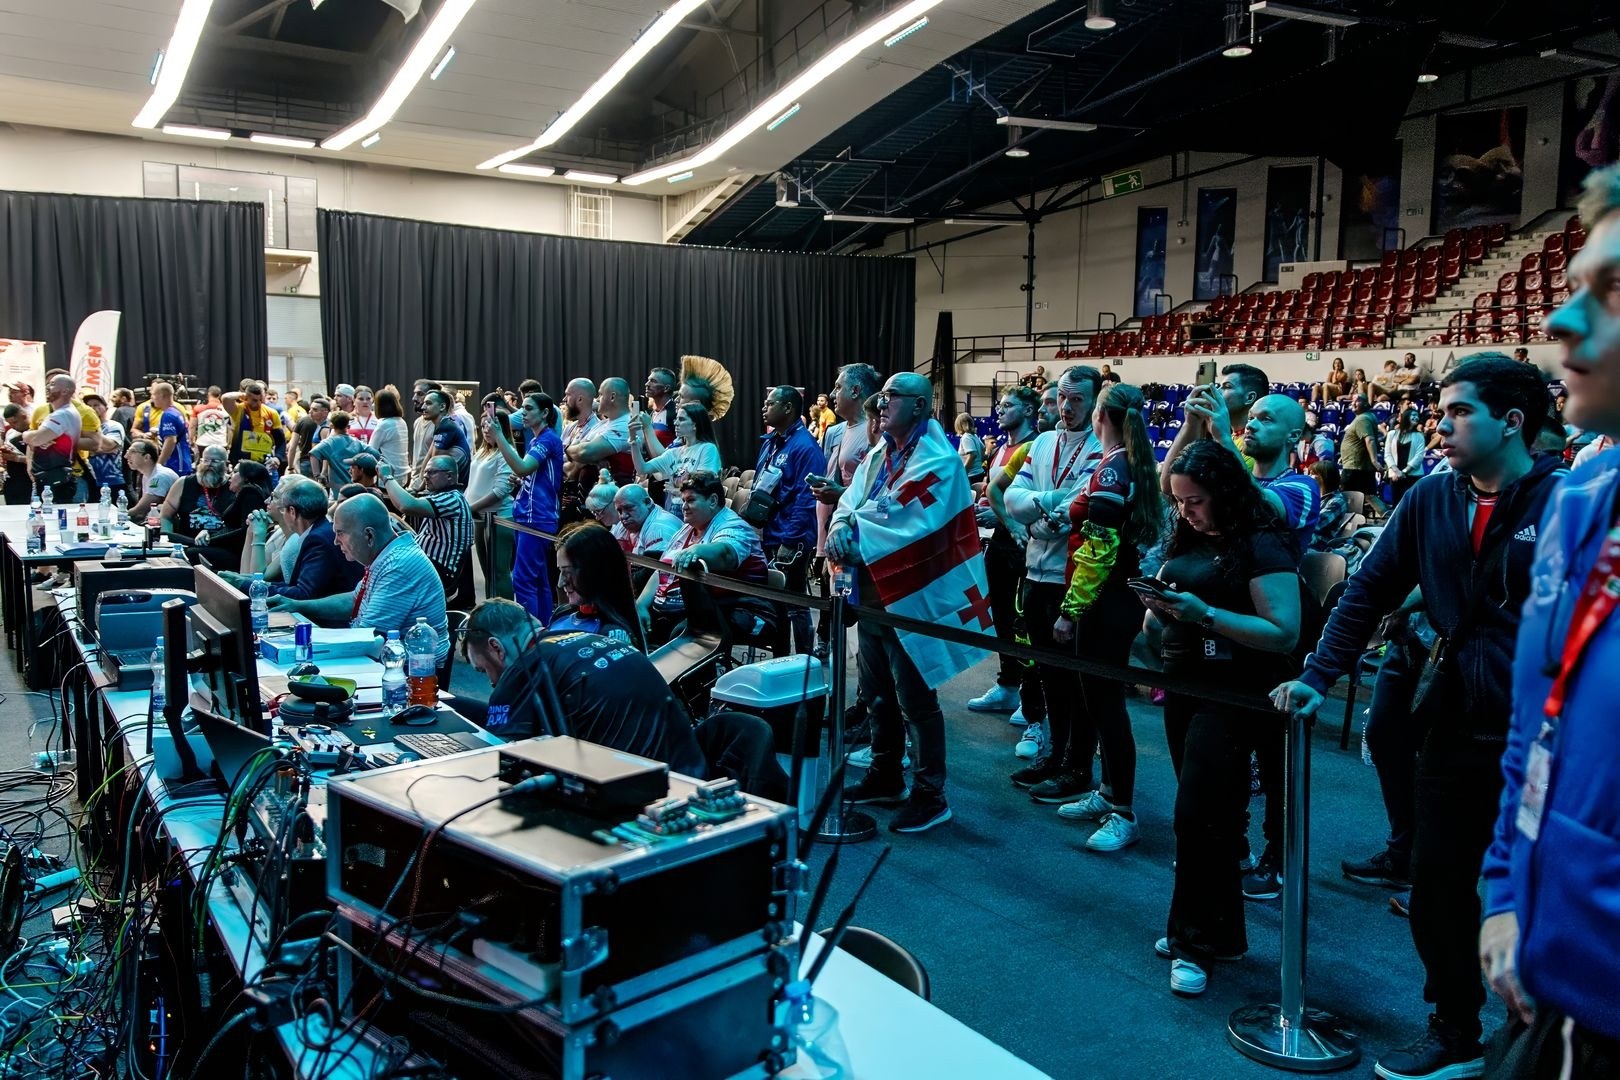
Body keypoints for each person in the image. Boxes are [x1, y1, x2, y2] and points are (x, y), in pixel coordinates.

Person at [1271, 354, 1565, 1080]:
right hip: (1453, 725)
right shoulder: (1431, 498)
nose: (1443, 424)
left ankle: (1537, 1038)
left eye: (1460, 411)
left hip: (1549, 741)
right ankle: (1455, 1027)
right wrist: (1317, 675)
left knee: (1542, 896)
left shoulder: (1565, 501)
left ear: (1512, 421)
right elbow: (1366, 592)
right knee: (1436, 884)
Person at [1471, 164, 1620, 1080]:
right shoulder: (1586, 504)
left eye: (1616, 293)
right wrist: (1504, 893)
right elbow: (1538, 733)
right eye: (1572, 289)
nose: (1563, 323)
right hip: (1552, 1001)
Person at [1148, 440, 1302, 997]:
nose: (1186, 511)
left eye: (1195, 501)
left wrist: (1205, 614)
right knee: (1212, 820)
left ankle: (1192, 941)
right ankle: (1224, 933)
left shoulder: (1262, 544)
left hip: (1235, 694)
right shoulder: (1188, 536)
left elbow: (1284, 631)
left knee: (1197, 817)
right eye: (1180, 502)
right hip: (1184, 684)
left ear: (1225, 495)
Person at [828, 371, 993, 835]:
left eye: (892, 397)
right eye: (881, 398)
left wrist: (853, 533)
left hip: (914, 596)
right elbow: (853, 501)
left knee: (915, 698)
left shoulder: (938, 460)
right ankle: (885, 773)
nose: (882, 404)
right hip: (875, 592)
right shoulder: (881, 451)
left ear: (919, 406)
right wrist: (841, 526)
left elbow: (911, 522)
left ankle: (930, 792)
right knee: (876, 693)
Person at [462, 599, 788, 799]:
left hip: (637, 805)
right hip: (689, 779)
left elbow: (500, 767)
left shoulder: (522, 669)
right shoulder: (587, 636)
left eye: (484, 670)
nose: (492, 682)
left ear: (496, 647)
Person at [1049, 383, 1166, 851]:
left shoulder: (1113, 469)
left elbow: (1098, 550)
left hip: (1103, 600)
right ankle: (1108, 792)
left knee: (1108, 709)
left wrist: (1070, 611)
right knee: (1099, 704)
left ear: (1100, 416)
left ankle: (1124, 812)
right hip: (1114, 598)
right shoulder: (1124, 461)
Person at [1004, 366, 1107, 801]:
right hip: (1035, 572)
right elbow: (1012, 497)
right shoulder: (1043, 441)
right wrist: (1045, 508)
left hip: (1071, 576)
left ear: (1095, 401)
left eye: (1078, 399)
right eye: (1061, 397)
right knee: (1047, 673)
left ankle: (1079, 766)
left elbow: (1075, 512)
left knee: (1076, 679)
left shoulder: (1103, 447)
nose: (1066, 406)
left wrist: (1039, 514)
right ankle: (1057, 753)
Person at [270, 494, 449, 662]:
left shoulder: (398, 566)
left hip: (411, 672)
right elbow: (353, 601)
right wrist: (296, 605)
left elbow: (367, 637)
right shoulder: (388, 554)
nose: (335, 541)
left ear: (369, 535)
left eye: (340, 533)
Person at [966, 386, 1040, 717]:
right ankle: (1008, 684)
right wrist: (985, 505)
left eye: (1008, 405)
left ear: (1027, 411)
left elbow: (1025, 502)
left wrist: (999, 515)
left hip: (1022, 542)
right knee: (1000, 615)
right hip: (998, 539)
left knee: (1022, 620)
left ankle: (1030, 693)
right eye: (1000, 404)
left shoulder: (1033, 446)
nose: (1000, 409)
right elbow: (993, 493)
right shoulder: (999, 450)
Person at [636, 471, 771, 646]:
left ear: (713, 500)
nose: (684, 506)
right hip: (691, 608)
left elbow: (726, 553)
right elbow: (664, 569)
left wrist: (698, 550)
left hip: (738, 609)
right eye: (683, 500)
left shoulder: (734, 526)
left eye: (690, 500)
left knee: (682, 636)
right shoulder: (688, 528)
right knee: (630, 620)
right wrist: (641, 604)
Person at [809, 363, 881, 654]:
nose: (832, 393)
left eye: (838, 387)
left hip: (862, 536)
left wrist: (838, 492)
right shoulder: (837, 432)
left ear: (855, 390)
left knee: (860, 607)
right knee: (839, 598)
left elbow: (876, 489)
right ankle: (832, 639)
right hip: (837, 532)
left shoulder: (876, 432)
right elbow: (838, 482)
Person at [752, 385, 827, 654]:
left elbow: (806, 500)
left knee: (794, 601)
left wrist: (790, 540)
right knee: (776, 602)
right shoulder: (771, 442)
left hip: (790, 538)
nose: (764, 408)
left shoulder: (805, 447)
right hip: (770, 532)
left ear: (787, 408)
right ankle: (780, 656)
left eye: (770, 403)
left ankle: (806, 662)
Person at [227, 477, 362, 607]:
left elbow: (302, 594)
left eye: (283, 510)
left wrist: (245, 585)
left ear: (292, 512)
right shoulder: (320, 532)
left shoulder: (318, 540)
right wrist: (246, 581)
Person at [489, 392, 564, 621]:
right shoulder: (536, 440)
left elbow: (522, 467)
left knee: (523, 581)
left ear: (544, 413)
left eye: (529, 408)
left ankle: (528, 635)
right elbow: (530, 474)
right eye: (522, 408)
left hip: (537, 518)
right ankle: (541, 630)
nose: (523, 413)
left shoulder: (547, 440)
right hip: (531, 516)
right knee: (539, 581)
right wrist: (523, 482)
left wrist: (499, 436)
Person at [377, 455, 474, 608]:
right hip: (429, 566)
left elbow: (406, 505)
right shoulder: (443, 496)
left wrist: (388, 478)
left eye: (431, 472)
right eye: (425, 472)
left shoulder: (452, 499)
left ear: (449, 476)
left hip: (438, 572)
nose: (426, 476)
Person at [548, 523, 645, 646]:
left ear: (595, 572)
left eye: (568, 572)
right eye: (560, 571)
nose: (561, 583)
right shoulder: (561, 614)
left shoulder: (612, 633)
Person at [629, 402, 722, 514]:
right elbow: (642, 468)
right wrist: (633, 440)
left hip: (698, 511)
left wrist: (677, 491)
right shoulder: (673, 452)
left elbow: (704, 484)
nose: (676, 423)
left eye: (681, 419)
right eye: (676, 419)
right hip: (675, 509)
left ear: (695, 424)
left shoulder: (708, 448)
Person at [468, 407, 518, 602]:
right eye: (483, 425)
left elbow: (500, 491)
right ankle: (491, 611)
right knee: (487, 573)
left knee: (499, 572)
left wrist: (470, 508)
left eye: (490, 424)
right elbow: (473, 484)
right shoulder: (482, 451)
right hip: (479, 518)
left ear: (501, 427)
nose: (486, 429)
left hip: (499, 518)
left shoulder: (507, 452)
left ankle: (506, 614)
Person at [22, 375, 86, 503]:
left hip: (54, 482)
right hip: (55, 479)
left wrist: (26, 435)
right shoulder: (67, 412)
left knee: (51, 520)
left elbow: (36, 439)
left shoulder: (62, 414)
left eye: (52, 384)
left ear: (65, 391)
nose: (47, 387)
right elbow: (39, 440)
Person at [133, 381, 192, 477]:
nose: (152, 398)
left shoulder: (168, 415)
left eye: (153, 395)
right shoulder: (176, 411)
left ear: (162, 396)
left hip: (176, 464)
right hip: (181, 461)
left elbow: (171, 441)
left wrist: (159, 465)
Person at [223, 380, 288, 468]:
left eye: (260, 399)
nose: (258, 403)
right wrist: (243, 395)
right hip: (240, 462)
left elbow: (280, 440)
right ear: (246, 398)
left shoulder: (271, 413)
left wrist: (278, 458)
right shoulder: (239, 409)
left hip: (263, 462)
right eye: (254, 400)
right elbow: (225, 398)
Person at [419, 388, 470, 488]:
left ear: (442, 407)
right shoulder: (442, 424)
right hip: (450, 486)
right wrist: (418, 487)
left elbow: (433, 464)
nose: (423, 407)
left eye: (428, 403)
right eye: (424, 403)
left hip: (454, 490)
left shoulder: (446, 426)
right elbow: (429, 456)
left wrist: (419, 489)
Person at [81, 394, 126, 503]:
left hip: (112, 480)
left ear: (106, 408)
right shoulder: (82, 427)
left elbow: (110, 445)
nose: (92, 408)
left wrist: (90, 436)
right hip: (89, 479)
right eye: (88, 406)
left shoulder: (114, 426)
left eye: (96, 405)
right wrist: (97, 448)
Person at [309, 411, 368, 491]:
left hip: (337, 490)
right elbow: (374, 454)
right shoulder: (357, 442)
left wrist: (317, 475)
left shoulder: (329, 443)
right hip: (355, 488)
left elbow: (313, 454)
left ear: (332, 426)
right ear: (348, 426)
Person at [1338, 394, 1381, 502]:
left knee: (1346, 497)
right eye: (1352, 400)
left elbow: (1369, 440)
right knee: (1369, 496)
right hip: (1358, 466)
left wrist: (1374, 460)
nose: (1353, 403)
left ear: (1366, 403)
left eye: (1357, 401)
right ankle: (1387, 515)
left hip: (1355, 468)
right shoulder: (1366, 417)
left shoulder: (1363, 419)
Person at [125, 439, 180, 521]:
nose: (126, 456)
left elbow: (141, 510)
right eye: (127, 452)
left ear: (146, 457)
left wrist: (118, 516)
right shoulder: (147, 475)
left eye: (132, 452)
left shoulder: (159, 477)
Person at [1308, 462, 1353, 550]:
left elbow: (1316, 524)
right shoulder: (1315, 496)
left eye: (1313, 474)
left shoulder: (1337, 501)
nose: (1309, 477)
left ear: (1324, 477)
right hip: (1309, 538)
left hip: (1321, 544)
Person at [368, 385, 410, 475]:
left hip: (391, 474)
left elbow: (370, 450)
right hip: (405, 472)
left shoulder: (383, 425)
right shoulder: (401, 421)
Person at [290, 396, 330, 479]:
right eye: (310, 408)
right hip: (310, 463)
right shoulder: (320, 425)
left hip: (318, 466)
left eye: (315, 410)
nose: (310, 412)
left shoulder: (325, 429)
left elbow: (327, 453)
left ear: (325, 412)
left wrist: (323, 472)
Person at [1, 406, 32, 504]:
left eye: (14, 422)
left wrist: (17, 458)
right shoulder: (11, 433)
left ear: (24, 417)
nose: (13, 426)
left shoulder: (36, 432)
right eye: (9, 423)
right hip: (12, 484)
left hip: (29, 484)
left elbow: (41, 460)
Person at [643, 366, 679, 445]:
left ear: (666, 388)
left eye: (653, 381)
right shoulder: (652, 413)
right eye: (648, 380)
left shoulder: (675, 414)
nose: (647, 384)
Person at [190, 386, 229, 453]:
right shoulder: (227, 409)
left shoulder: (198, 408)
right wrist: (229, 443)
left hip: (203, 443)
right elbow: (230, 428)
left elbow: (192, 426)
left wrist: (191, 441)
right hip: (221, 443)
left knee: (202, 463)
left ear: (208, 394)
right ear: (219, 395)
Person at [955, 413, 985, 485]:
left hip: (971, 475)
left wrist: (963, 471)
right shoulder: (974, 435)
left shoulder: (966, 437)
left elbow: (972, 455)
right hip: (979, 473)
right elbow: (983, 449)